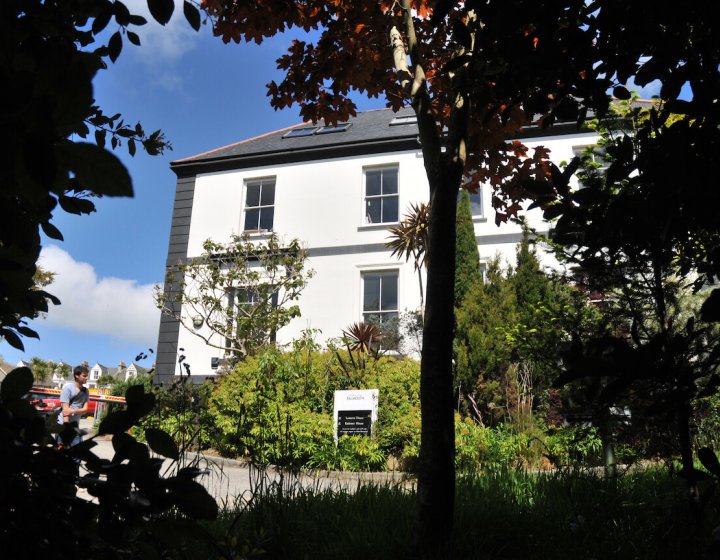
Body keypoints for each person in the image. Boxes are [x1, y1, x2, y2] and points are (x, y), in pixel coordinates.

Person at [57, 364, 90, 448]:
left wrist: (73, 411)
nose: (86, 378)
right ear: (76, 375)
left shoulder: (86, 391)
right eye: (84, 376)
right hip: (63, 425)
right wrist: (66, 430)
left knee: (77, 454)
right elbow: (65, 412)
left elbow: (85, 409)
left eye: (87, 376)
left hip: (75, 426)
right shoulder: (67, 389)